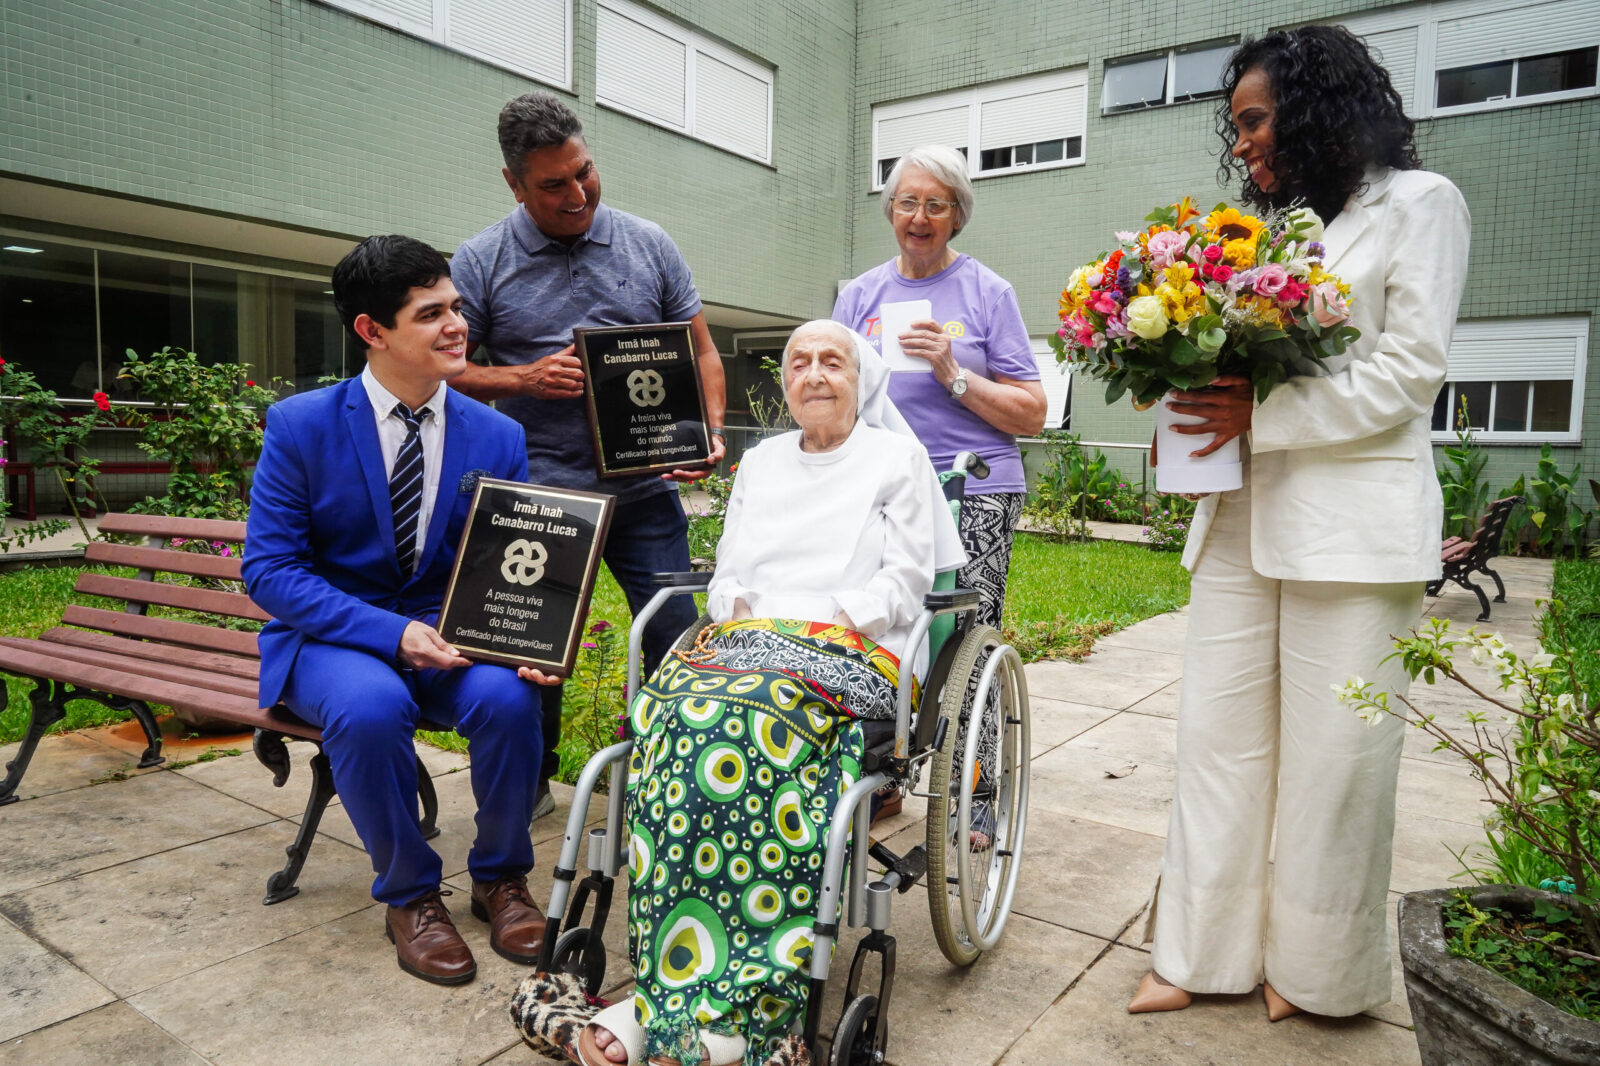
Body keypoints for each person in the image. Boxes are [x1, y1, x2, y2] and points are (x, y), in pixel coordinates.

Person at [1129, 26, 1471, 1020]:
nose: (1240, 144)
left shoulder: (1422, 205)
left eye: (1252, 119)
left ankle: (1312, 973)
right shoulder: (1277, 234)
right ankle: (1198, 955)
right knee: (1215, 746)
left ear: (1316, 102)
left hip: (1351, 530)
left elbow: (1409, 373)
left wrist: (1257, 416)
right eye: (1234, 126)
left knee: (1336, 765)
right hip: (1240, 519)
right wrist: (1186, 405)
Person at [550, 321, 963, 1066]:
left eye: (831, 361)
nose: (813, 374)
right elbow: (729, 573)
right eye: (799, 362)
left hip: (844, 644)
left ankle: (744, 1012)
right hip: (744, 648)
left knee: (741, 731)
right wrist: (745, 622)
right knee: (677, 724)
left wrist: (815, 628)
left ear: (861, 377)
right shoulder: (762, 461)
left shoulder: (895, 457)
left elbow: (903, 584)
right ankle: (668, 996)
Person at [243, 236, 555, 986]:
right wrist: (392, 634)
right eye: (430, 315)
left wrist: (527, 635)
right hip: (331, 636)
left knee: (512, 697)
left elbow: (507, 566)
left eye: (455, 307)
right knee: (372, 706)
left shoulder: (497, 434)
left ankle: (500, 879)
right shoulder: (301, 425)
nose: (457, 327)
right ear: (371, 331)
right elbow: (270, 570)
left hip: (447, 635)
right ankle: (412, 896)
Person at [450, 91, 727, 815]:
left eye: (586, 172)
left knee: (674, 630)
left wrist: (710, 431)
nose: (577, 195)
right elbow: (444, 366)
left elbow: (700, 350)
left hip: (644, 492)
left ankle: (679, 778)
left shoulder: (648, 242)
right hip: (537, 490)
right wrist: (520, 378)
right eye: (553, 184)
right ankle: (529, 786)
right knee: (530, 653)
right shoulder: (482, 259)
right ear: (513, 183)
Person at [832, 143, 1045, 633]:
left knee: (960, 631)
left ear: (957, 216)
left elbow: (1032, 414)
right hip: (881, 483)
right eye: (907, 202)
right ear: (890, 210)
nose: (919, 217)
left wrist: (955, 377)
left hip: (973, 484)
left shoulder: (989, 292)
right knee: (878, 624)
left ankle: (968, 708)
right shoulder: (858, 296)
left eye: (936, 205)